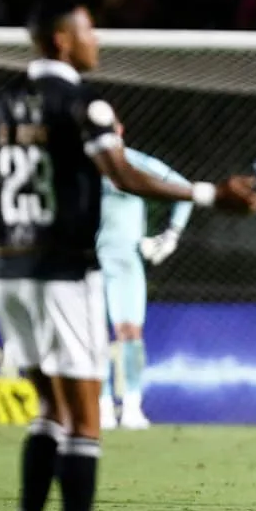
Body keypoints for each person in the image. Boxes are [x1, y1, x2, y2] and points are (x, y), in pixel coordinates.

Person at [0, 0, 256, 511]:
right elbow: (124, 175)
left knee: (49, 411)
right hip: (65, 273)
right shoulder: (86, 104)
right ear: (61, 40)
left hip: (6, 275)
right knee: (84, 419)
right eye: (87, 30)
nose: (96, 39)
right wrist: (212, 195)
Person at [97, 129, 193, 430]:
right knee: (91, 335)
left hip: (125, 260)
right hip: (86, 261)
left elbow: (184, 189)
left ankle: (132, 406)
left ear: (120, 132)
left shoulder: (135, 162)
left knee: (130, 333)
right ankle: (101, 405)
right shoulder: (78, 163)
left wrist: (171, 235)